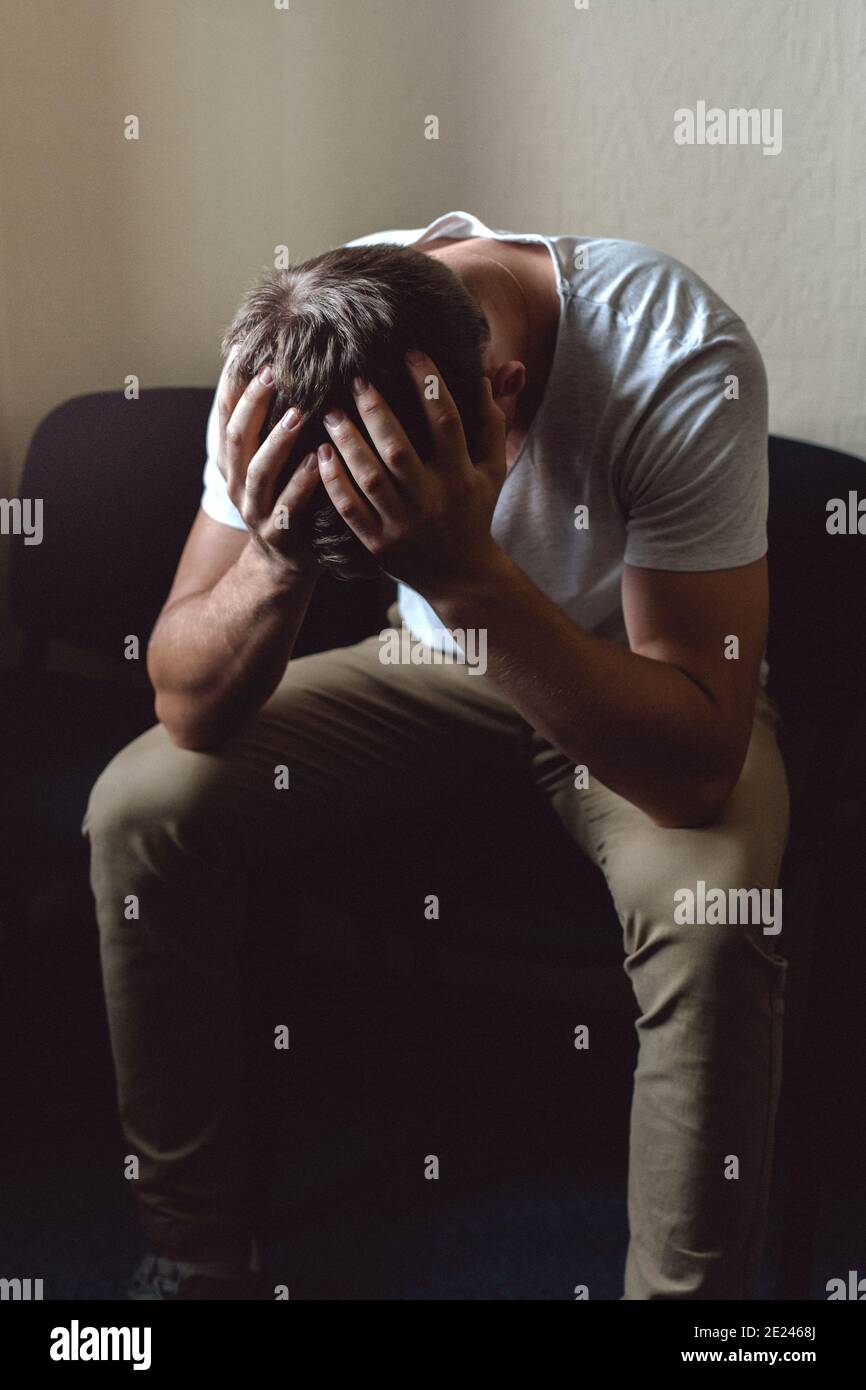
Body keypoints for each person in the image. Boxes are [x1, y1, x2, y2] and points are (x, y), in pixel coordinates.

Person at [82, 210, 790, 1300]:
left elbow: (694, 763)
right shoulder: (294, 361)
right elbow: (185, 695)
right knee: (141, 805)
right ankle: (196, 1251)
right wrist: (275, 561)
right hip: (427, 663)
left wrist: (463, 573)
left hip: (638, 678)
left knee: (713, 909)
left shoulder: (672, 352)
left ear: (501, 396)